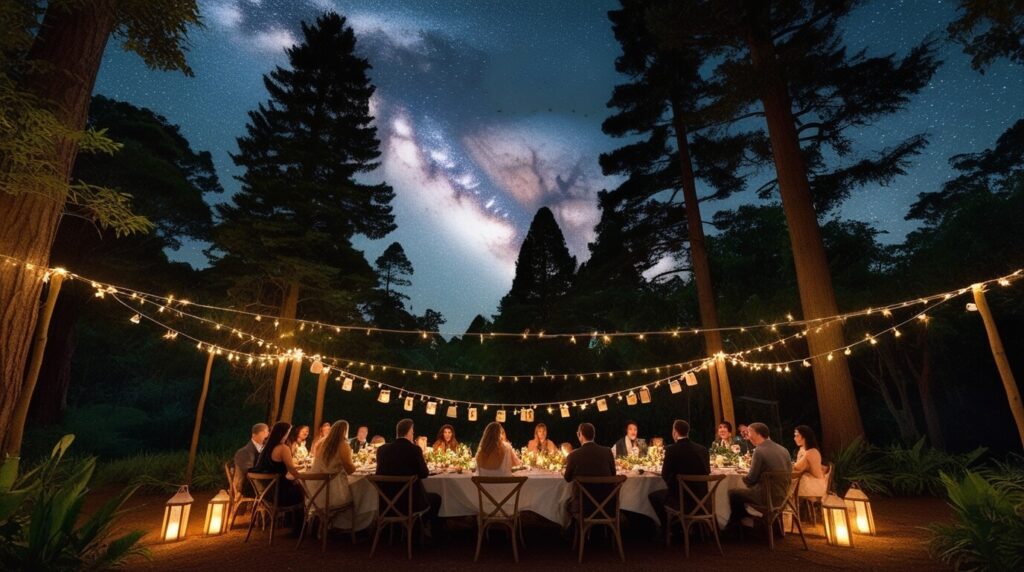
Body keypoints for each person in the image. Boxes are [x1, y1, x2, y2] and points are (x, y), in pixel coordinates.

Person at [375, 419, 444, 539]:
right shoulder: (414, 450)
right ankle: (428, 534)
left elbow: (378, 473)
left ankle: (405, 529)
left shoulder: (382, 450)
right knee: (436, 498)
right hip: (409, 503)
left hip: (386, 503)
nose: (413, 435)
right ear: (408, 433)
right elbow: (424, 474)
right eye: (412, 432)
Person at [728, 422, 793, 525]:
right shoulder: (783, 449)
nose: (748, 436)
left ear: (757, 434)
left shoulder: (759, 450)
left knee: (733, 493)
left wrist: (742, 478)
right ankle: (756, 524)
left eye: (749, 433)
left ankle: (736, 527)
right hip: (784, 497)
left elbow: (750, 479)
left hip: (767, 497)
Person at [648, 420, 710, 527]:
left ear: (675, 432)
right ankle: (689, 527)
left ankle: (669, 529)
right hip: (702, 498)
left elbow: (665, 475)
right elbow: (707, 472)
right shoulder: (703, 449)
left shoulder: (671, 450)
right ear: (687, 432)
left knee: (653, 496)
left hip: (681, 500)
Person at [252, 422, 305, 516]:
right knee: (302, 490)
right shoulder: (283, 448)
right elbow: (293, 471)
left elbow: (277, 467)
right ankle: (300, 527)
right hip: (279, 495)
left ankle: (289, 523)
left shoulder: (266, 448)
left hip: (266, 495)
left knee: (296, 485)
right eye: (288, 432)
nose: (288, 435)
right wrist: (305, 477)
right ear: (283, 433)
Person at [564, 423, 617, 517]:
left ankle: (576, 530)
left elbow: (567, 478)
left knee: (565, 503)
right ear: (594, 435)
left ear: (580, 435)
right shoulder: (607, 452)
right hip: (606, 505)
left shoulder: (573, 455)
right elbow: (613, 475)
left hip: (583, 507)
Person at [309, 420, 355, 525]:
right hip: (332, 493)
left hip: (316, 492)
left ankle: (326, 525)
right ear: (345, 432)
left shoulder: (321, 443)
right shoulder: (343, 445)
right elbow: (350, 470)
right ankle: (345, 526)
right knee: (357, 491)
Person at [233, 423, 269, 495]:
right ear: (254, 435)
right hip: (248, 489)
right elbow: (251, 474)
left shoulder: (262, 449)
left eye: (267, 432)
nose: (267, 435)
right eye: (265, 432)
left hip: (258, 485)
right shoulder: (244, 452)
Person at [793, 425, 827, 498]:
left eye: (797, 436)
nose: (794, 438)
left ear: (804, 437)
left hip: (816, 484)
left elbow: (797, 467)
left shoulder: (811, 452)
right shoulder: (806, 450)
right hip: (815, 482)